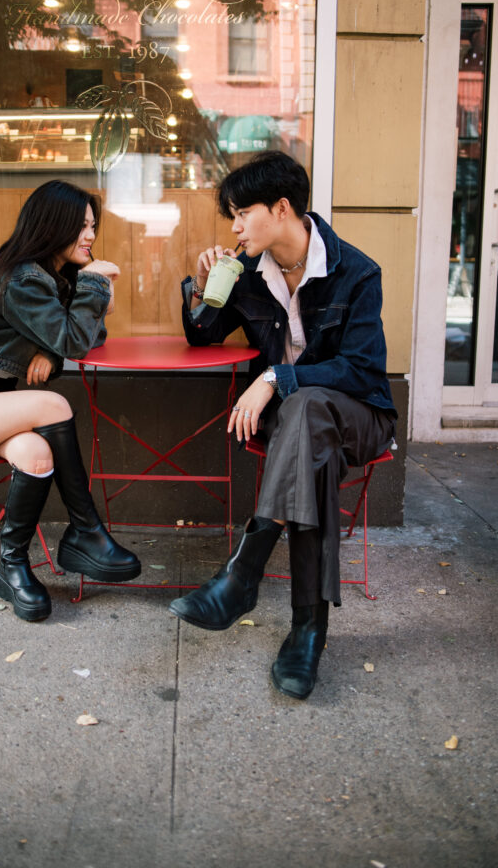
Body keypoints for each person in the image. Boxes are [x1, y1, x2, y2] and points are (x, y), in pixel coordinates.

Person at [169, 151, 396, 699]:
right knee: (307, 439)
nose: (234, 225)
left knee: (309, 404)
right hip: (303, 434)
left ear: (282, 207)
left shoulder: (356, 272)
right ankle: (307, 631)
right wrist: (204, 286)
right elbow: (204, 335)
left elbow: (361, 369)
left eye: (242, 212)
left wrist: (275, 376)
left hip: (359, 417)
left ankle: (243, 573)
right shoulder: (247, 273)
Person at [0, 180, 140, 622]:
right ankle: (85, 533)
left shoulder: (50, 280)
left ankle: (12, 565)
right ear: (51, 226)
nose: (90, 237)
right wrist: (95, 287)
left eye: (93, 226)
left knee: (37, 454)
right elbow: (78, 339)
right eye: (80, 227)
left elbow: (90, 336)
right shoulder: (21, 279)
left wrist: (52, 347)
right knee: (54, 405)